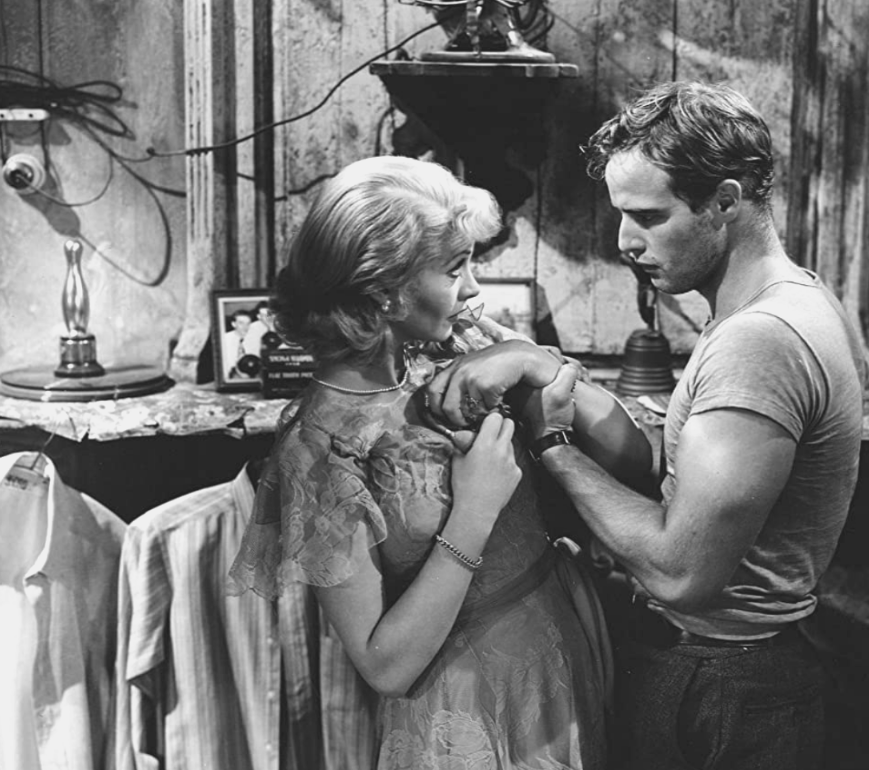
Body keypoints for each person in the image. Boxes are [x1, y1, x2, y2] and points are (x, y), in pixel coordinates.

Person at [428, 81, 865, 770]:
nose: (625, 241)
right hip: (731, 671)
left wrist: (550, 445)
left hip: (723, 682)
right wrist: (541, 364)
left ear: (725, 200)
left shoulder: (761, 341)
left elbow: (680, 572)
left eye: (648, 216)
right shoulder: (791, 298)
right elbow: (666, 475)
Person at [227, 155, 652, 769]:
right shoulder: (319, 449)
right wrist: (474, 510)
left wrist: (532, 360)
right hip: (467, 707)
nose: (475, 287)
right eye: (456, 268)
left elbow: (635, 460)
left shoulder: (461, 348)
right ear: (383, 293)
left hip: (563, 643)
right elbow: (385, 667)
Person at [221, 307, 256, 378]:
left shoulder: (255, 339)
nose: (245, 327)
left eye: (248, 323)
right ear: (233, 324)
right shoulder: (224, 339)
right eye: (241, 323)